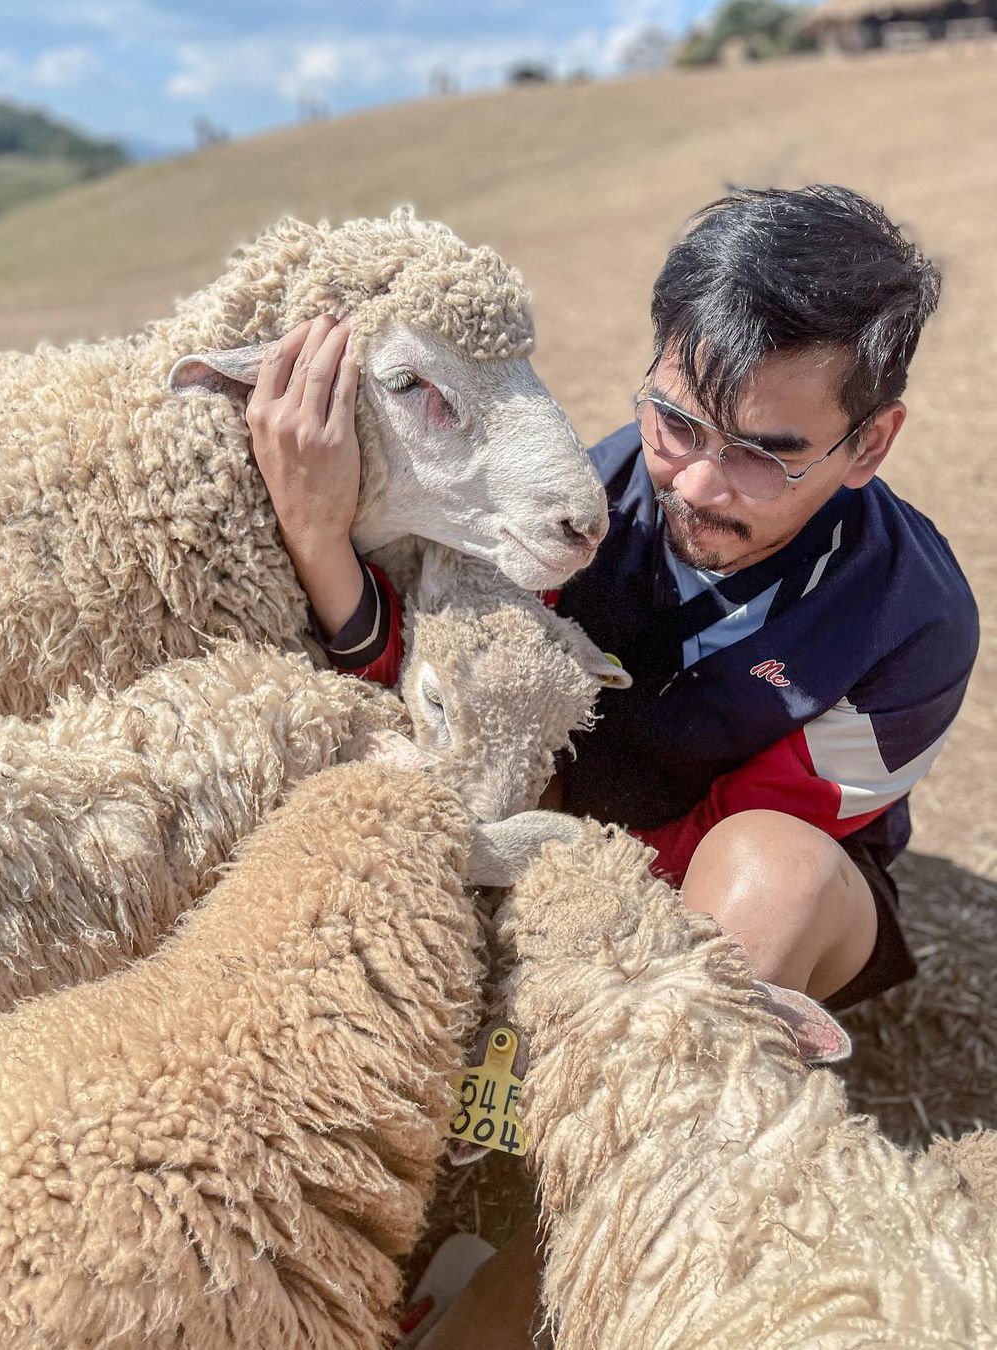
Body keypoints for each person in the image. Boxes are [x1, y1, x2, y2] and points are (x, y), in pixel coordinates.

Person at [245, 185, 979, 1347]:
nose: (695, 484)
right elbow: (452, 691)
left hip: (734, 896)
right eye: (678, 423)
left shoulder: (914, 623)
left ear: (869, 442)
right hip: (549, 854)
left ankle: (547, 1255)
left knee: (773, 869)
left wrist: (555, 959)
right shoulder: (578, 503)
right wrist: (319, 539)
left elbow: (749, 827)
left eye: (763, 456)